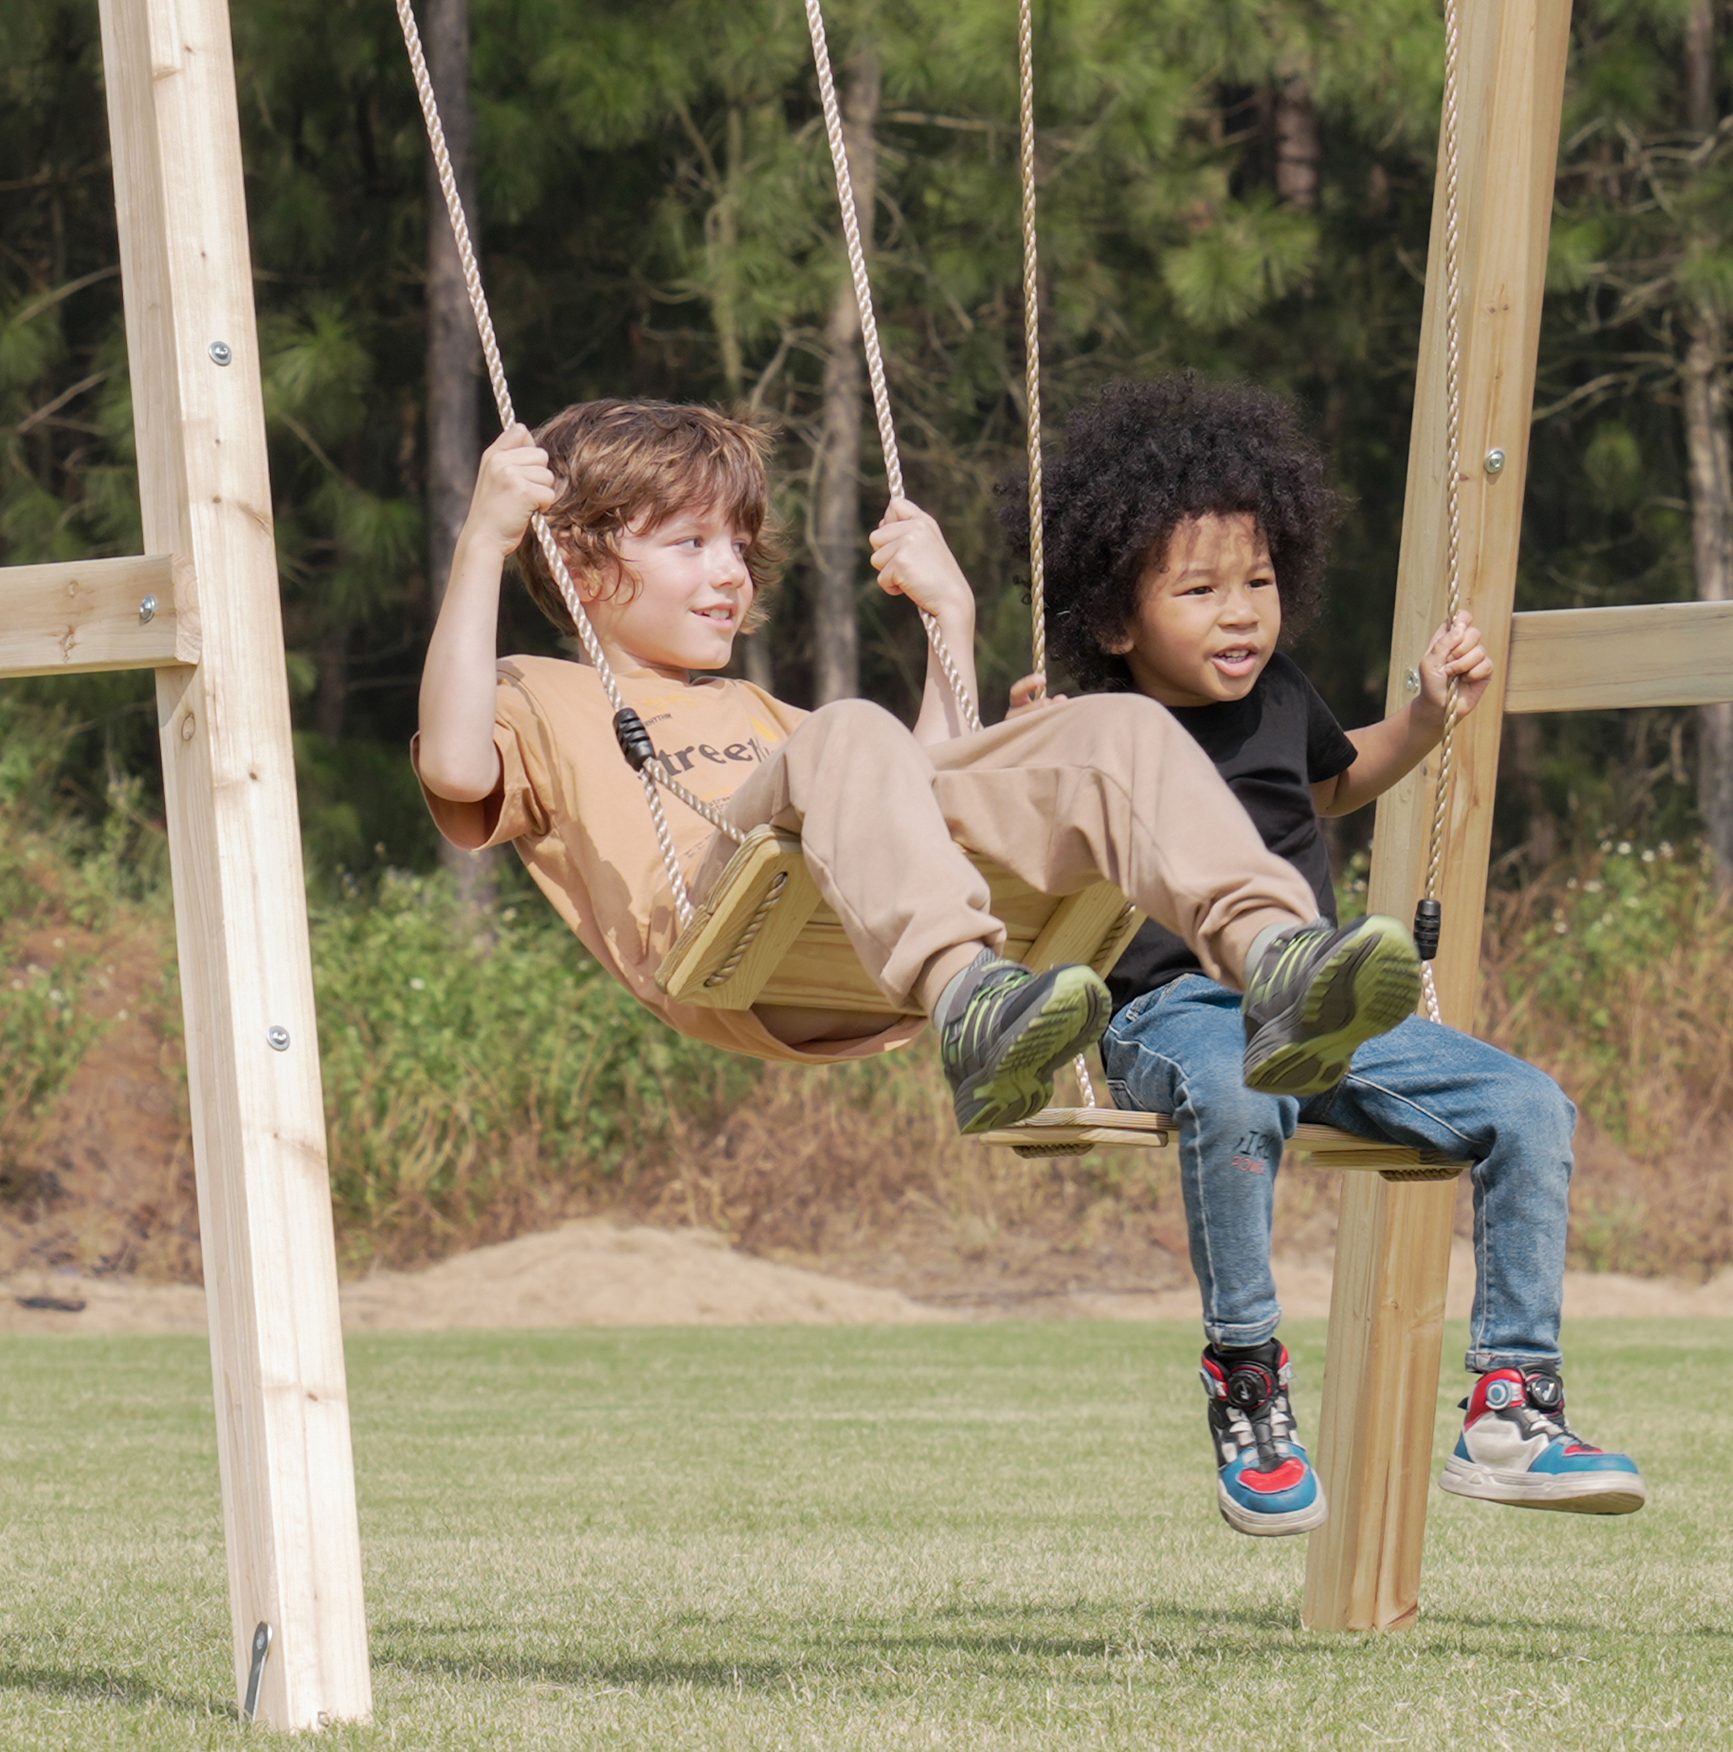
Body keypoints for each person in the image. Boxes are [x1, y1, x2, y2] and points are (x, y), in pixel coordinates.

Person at [411, 398, 1430, 1134]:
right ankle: (971, 1005)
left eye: (738, 544)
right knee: (853, 731)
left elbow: (922, 802)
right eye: (689, 543)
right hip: (722, 942)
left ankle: (1274, 957)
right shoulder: (541, 692)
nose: (729, 572)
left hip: (851, 941)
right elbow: (457, 768)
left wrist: (952, 616)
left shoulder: (767, 712)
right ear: (582, 567)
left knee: (1112, 729)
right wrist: (483, 544)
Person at [1027, 373, 1642, 1537]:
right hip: (1175, 1014)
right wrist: (1027, 741)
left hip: (1315, 1012)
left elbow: (1334, 781)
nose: (1240, 613)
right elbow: (1023, 858)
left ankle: (1511, 1401)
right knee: (1235, 1088)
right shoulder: (1095, 723)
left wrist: (1420, 717)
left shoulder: (1279, 698)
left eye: (1257, 582)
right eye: (1199, 590)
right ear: (1116, 617)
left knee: (1530, 1107)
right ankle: (1249, 1390)